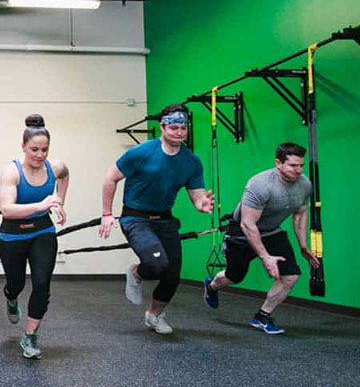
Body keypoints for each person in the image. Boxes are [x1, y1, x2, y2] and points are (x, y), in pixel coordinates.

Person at [99, 104, 214, 335]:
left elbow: (197, 194)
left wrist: (202, 204)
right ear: (162, 127)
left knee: (172, 276)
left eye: (183, 128)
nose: (179, 132)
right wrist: (107, 214)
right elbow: (110, 178)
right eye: (173, 127)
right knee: (157, 264)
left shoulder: (191, 161)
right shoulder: (141, 153)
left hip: (165, 219)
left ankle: (154, 315)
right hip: (135, 217)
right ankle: (135, 273)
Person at [203, 143, 317, 335]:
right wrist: (265, 257)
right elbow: (248, 224)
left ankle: (262, 316)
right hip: (241, 234)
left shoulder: (304, 184)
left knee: (290, 276)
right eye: (293, 166)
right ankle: (212, 286)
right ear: (278, 163)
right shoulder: (260, 184)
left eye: (301, 165)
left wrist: (303, 246)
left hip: (272, 232)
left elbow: (300, 214)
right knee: (234, 276)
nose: (298, 170)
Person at [0, 115, 69, 359]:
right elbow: (7, 209)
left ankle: (29, 336)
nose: (39, 155)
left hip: (43, 232)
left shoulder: (55, 167)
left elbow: (65, 175)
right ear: (23, 147)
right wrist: (43, 203)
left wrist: (59, 202)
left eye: (44, 150)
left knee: (41, 283)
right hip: (12, 236)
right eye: (34, 149)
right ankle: (11, 297)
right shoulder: (11, 171)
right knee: (16, 283)